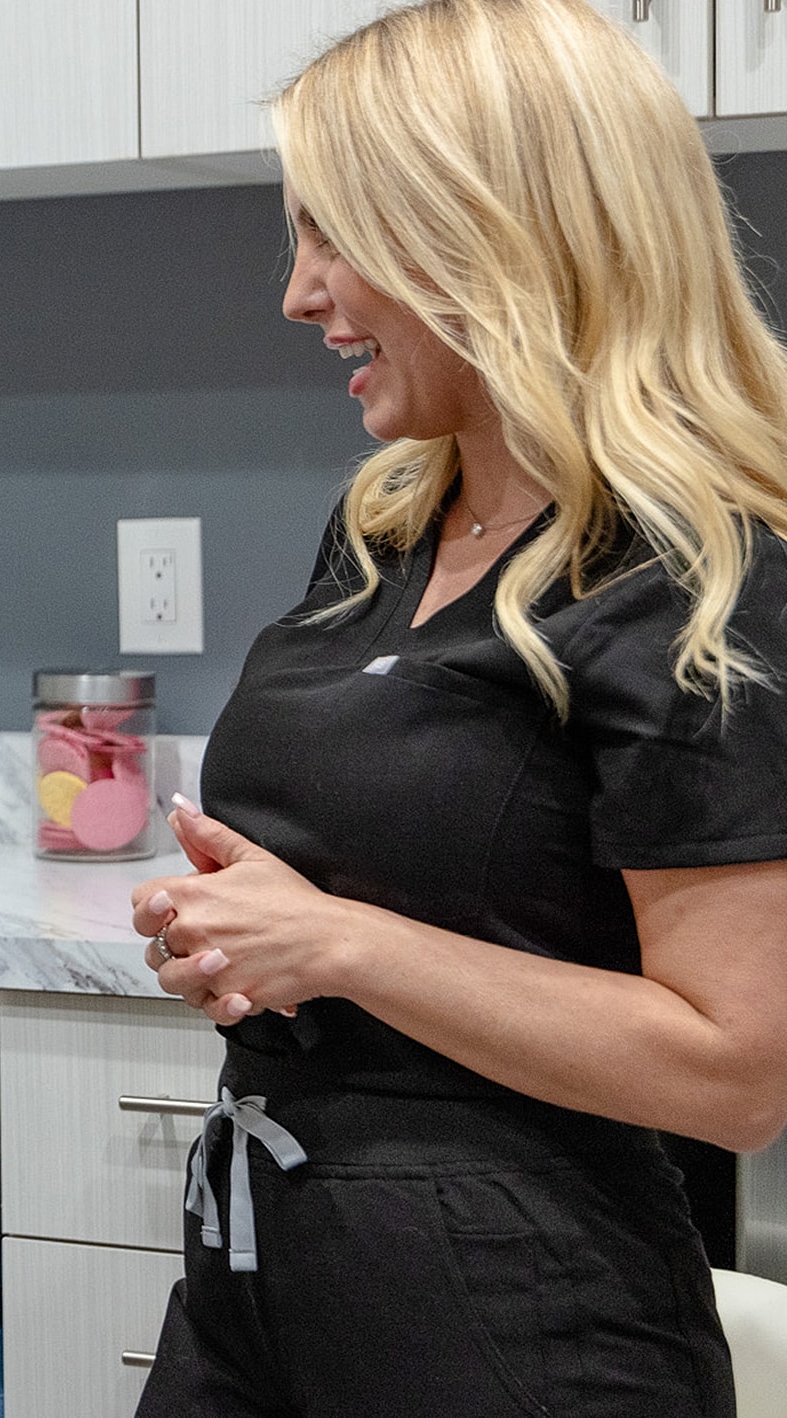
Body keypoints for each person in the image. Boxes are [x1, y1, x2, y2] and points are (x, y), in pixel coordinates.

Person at [126, 1, 787, 1412]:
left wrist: (345, 942)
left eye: (336, 236)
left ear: (502, 230)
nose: (301, 295)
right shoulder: (383, 529)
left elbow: (737, 1071)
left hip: (516, 1315)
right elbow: (377, 920)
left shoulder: (705, 573)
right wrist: (249, 948)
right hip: (257, 1276)